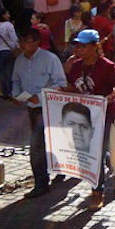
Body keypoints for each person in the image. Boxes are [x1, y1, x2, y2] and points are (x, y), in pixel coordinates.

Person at [63, 29, 115, 210]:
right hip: (85, 116)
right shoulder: (75, 66)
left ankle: (97, 193)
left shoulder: (107, 66)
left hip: (107, 114)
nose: (80, 49)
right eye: (77, 45)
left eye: (84, 46)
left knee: (96, 152)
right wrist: (60, 92)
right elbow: (72, 87)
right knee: (97, 151)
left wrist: (109, 97)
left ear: (95, 46)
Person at [11, 28, 67, 198]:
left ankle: (41, 183)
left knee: (35, 144)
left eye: (26, 41)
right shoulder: (19, 61)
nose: (22, 45)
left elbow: (61, 84)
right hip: (31, 108)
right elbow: (16, 81)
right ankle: (59, 168)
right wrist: (16, 94)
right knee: (47, 141)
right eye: (21, 41)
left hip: (48, 106)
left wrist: (41, 96)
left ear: (36, 42)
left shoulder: (49, 59)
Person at [0, 7, 19, 100]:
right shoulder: (8, 25)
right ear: (3, 15)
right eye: (7, 13)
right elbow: (14, 38)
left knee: (2, 72)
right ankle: (9, 92)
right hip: (8, 51)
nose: (8, 15)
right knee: (10, 72)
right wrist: (17, 47)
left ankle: (4, 92)